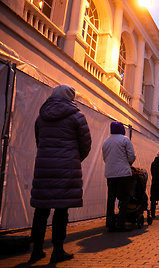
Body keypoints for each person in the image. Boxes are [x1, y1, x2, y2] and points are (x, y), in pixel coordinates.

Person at [29, 85, 91, 263]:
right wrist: (74, 158)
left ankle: (36, 250)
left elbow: (39, 141)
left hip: (44, 168)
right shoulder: (77, 117)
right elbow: (85, 144)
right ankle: (57, 250)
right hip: (66, 168)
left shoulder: (42, 117)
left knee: (41, 211)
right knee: (61, 211)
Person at [102, 121, 136, 232]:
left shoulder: (106, 142)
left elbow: (105, 158)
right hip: (123, 174)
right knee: (125, 198)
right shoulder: (125, 140)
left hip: (110, 174)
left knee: (111, 199)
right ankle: (121, 223)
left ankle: (110, 223)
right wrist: (128, 164)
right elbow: (131, 156)